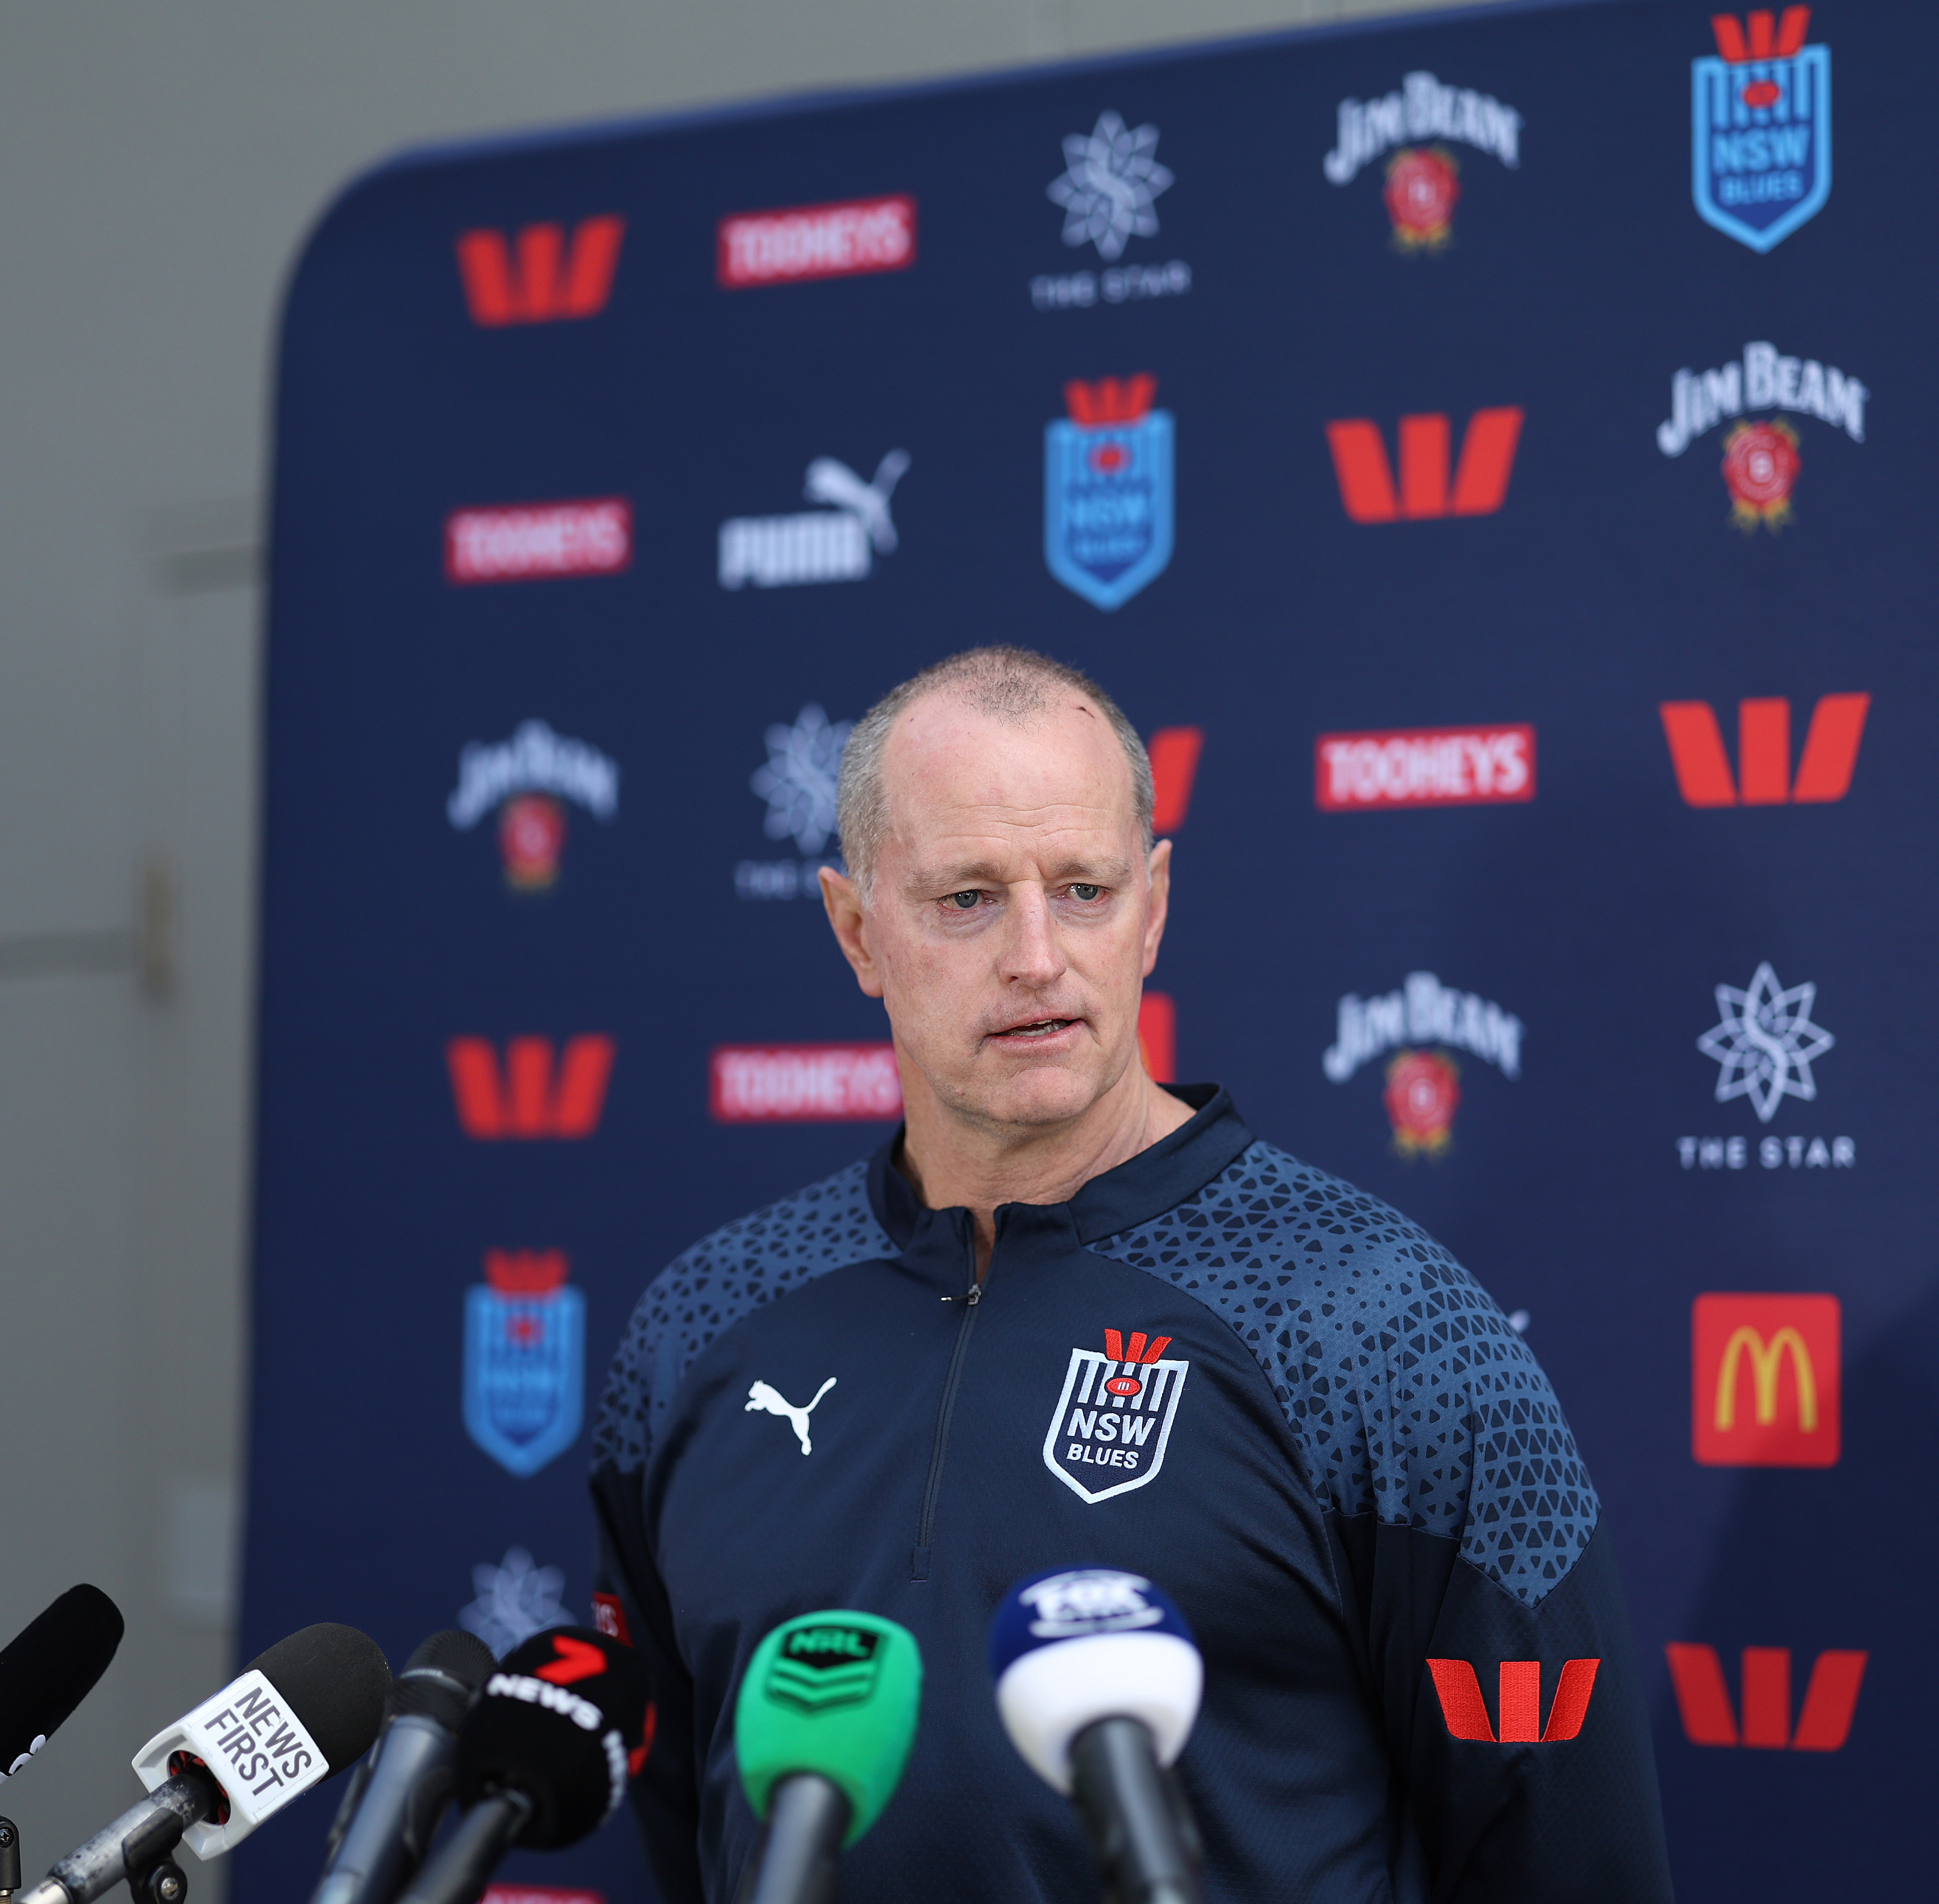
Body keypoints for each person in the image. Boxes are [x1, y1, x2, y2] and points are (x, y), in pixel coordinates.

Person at [590, 646, 1671, 1902]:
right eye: (969, 900)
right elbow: (686, 1831)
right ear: (855, 929)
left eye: (1085, 890)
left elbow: (1566, 1858)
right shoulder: (700, 1329)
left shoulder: (1386, 1325)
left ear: (1153, 908)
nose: (1037, 956)